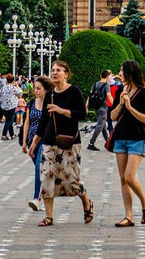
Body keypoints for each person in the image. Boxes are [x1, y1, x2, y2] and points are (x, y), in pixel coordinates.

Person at [27, 60, 92, 228]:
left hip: (69, 141)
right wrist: (34, 142)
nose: (54, 73)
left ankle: (86, 202)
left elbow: (82, 114)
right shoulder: (50, 94)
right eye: (53, 70)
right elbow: (43, 121)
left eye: (58, 70)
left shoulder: (74, 91)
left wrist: (61, 110)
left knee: (73, 179)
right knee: (46, 177)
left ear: (66, 74)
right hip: (49, 141)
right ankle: (49, 217)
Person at [109, 60, 145, 227]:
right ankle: (129, 216)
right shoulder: (120, 90)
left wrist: (130, 106)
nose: (119, 74)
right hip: (120, 138)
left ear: (129, 73)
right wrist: (121, 103)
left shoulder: (144, 93)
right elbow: (113, 117)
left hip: (137, 138)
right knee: (122, 179)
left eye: (121, 71)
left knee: (129, 176)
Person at [22, 76, 50, 212]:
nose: (36, 91)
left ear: (46, 90)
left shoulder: (50, 104)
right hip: (31, 139)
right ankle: (46, 197)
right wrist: (24, 141)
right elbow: (27, 122)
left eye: (39, 88)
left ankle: (36, 199)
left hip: (44, 139)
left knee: (39, 167)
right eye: (35, 88)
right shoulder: (32, 102)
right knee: (42, 171)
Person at [86, 70, 113, 151]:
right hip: (103, 108)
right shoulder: (106, 85)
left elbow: (90, 96)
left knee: (103, 126)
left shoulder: (95, 84)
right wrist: (116, 105)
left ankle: (109, 144)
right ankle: (91, 143)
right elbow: (109, 96)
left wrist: (86, 106)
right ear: (107, 77)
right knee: (100, 126)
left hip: (96, 108)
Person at [0, 74, 22, 140]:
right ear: (13, 80)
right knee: (9, 120)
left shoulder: (3, 88)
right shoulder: (13, 88)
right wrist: (17, 86)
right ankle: (4, 134)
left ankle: (12, 134)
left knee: (9, 120)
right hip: (11, 106)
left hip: (4, 106)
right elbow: (20, 93)